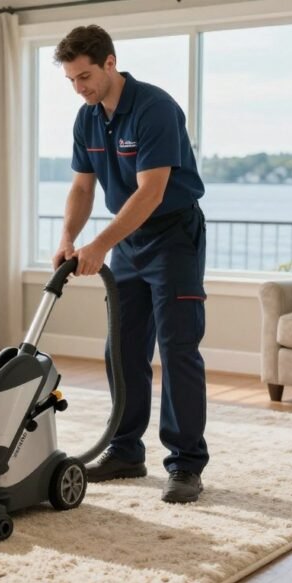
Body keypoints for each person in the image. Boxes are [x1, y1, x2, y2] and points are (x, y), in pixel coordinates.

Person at [52, 25, 209, 503]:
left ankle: (185, 464)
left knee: (178, 347)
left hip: (173, 236)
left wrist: (98, 245)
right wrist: (69, 238)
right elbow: (83, 187)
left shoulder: (154, 108)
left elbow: (151, 191)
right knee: (121, 349)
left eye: (85, 76)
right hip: (129, 240)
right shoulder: (87, 119)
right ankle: (125, 451)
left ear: (110, 62)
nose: (80, 88)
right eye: (72, 80)